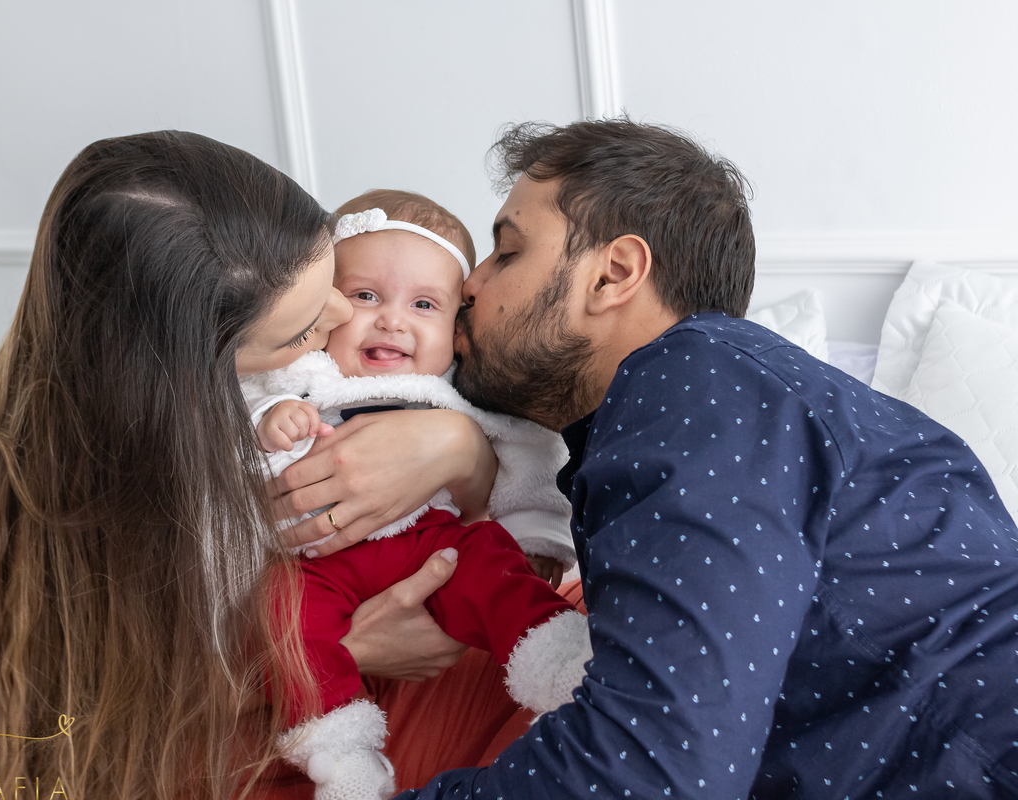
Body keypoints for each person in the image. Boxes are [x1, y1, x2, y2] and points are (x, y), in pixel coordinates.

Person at [293, 119, 1018, 798]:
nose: (469, 288)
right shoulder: (684, 415)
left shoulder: (699, 377)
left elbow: (648, 770)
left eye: (507, 252)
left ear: (613, 275)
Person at [0, 131, 503, 800]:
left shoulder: (377, 386)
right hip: (221, 747)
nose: (341, 314)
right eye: (303, 329)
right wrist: (351, 649)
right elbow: (97, 727)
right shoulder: (129, 482)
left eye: (329, 279)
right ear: (207, 367)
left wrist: (457, 446)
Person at [243, 189, 587, 798]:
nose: (392, 320)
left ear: (457, 330)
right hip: (315, 564)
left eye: (423, 304)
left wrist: (538, 545)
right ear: (321, 308)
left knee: (495, 569)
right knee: (281, 617)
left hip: (431, 547)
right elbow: (236, 416)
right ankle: (341, 756)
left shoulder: (457, 395)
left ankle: (556, 663)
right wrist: (270, 418)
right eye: (365, 296)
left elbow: (534, 463)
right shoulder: (299, 376)